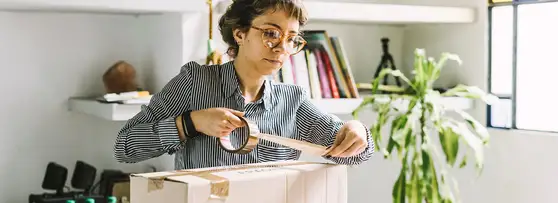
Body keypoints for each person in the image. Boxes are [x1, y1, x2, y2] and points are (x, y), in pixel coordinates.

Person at [113, 0, 374, 170]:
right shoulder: (194, 82)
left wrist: (356, 130)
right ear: (240, 34)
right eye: (271, 34)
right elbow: (124, 147)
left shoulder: (294, 101)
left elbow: (354, 153)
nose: (282, 48)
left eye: (292, 39)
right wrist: (191, 123)